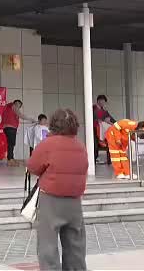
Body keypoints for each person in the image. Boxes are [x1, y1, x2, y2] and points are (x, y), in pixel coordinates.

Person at [27, 108, 88, 271]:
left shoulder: (47, 144)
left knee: (48, 244)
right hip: (74, 201)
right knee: (75, 244)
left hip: (51, 200)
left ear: (53, 124)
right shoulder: (80, 145)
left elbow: (33, 167)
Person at [1, 99, 31, 166]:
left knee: (10, 143)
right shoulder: (14, 106)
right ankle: (10, 160)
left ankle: (11, 158)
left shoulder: (8, 107)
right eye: (18, 105)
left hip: (7, 128)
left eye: (19, 106)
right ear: (15, 103)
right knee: (11, 144)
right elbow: (21, 115)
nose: (18, 106)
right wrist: (31, 119)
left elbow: (13, 117)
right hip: (11, 128)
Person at [93, 95, 115, 165]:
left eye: (104, 102)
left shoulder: (104, 111)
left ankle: (109, 161)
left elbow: (111, 119)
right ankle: (94, 161)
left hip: (104, 131)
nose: (103, 103)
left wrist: (116, 123)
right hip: (95, 130)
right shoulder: (93, 109)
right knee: (95, 146)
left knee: (109, 143)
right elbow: (94, 118)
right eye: (102, 101)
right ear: (98, 101)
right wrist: (102, 120)